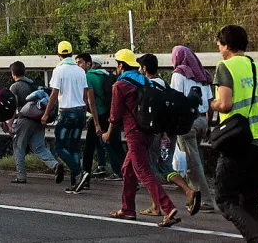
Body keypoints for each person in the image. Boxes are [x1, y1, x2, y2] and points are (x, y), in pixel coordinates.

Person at [209, 25, 258, 241]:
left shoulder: (225, 66)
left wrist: (213, 104)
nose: (219, 50)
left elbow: (225, 104)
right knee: (251, 199)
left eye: (219, 45)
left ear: (226, 45)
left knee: (225, 199)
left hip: (237, 142)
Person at [104, 49, 180, 227]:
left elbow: (115, 115)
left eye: (117, 64)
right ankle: (128, 209)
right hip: (149, 131)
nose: (116, 68)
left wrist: (108, 133)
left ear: (121, 66)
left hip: (134, 133)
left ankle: (168, 208)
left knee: (143, 171)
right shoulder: (146, 81)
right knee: (128, 169)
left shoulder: (120, 85)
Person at [136, 53, 200, 217]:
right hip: (170, 133)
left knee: (149, 168)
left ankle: (155, 206)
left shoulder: (148, 86)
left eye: (140, 67)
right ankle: (188, 191)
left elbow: (155, 113)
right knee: (165, 167)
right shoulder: (164, 84)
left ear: (144, 68)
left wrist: (160, 131)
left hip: (158, 133)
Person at [43, 41, 98, 193]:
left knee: (60, 147)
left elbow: (54, 94)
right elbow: (85, 94)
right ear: (72, 54)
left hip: (67, 112)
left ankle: (78, 171)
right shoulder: (80, 71)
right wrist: (87, 113)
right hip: (80, 112)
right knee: (74, 148)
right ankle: (76, 183)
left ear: (59, 55)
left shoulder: (59, 70)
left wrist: (46, 114)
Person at [169, 46, 216, 213]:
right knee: (194, 160)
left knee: (193, 163)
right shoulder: (202, 74)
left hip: (187, 122)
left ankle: (206, 201)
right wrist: (209, 124)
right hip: (202, 120)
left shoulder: (179, 74)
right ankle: (193, 198)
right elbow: (210, 101)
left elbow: (175, 99)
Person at [6, 61, 63, 184]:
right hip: (39, 120)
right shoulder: (33, 84)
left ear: (12, 73)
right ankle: (55, 165)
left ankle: (21, 176)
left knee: (18, 146)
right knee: (39, 147)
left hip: (25, 120)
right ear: (24, 71)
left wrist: (10, 124)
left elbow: (13, 106)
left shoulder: (15, 86)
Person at [77, 53, 124, 188]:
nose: (78, 66)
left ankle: (85, 177)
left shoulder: (87, 77)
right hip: (111, 115)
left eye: (80, 62)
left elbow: (91, 101)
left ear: (88, 64)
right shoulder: (105, 75)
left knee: (89, 148)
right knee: (117, 147)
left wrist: (96, 123)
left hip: (100, 116)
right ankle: (131, 174)